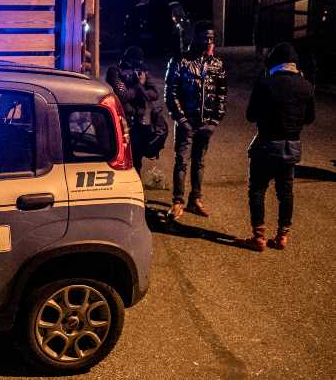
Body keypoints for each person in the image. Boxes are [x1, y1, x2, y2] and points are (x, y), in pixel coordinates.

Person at [242, 43, 315, 251]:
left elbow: (250, 115)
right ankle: (282, 236)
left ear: (273, 62)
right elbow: (310, 118)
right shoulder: (306, 86)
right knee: (286, 192)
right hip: (291, 146)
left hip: (266, 144)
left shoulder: (266, 83)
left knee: (257, 189)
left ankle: (258, 237)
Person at [165, 21, 227, 220]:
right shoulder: (180, 61)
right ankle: (177, 201)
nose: (209, 41)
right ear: (196, 37)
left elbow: (221, 95)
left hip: (205, 124)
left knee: (199, 163)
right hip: (186, 123)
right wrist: (181, 119)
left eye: (211, 38)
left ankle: (195, 199)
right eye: (205, 37)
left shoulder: (217, 64)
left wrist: (214, 121)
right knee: (182, 161)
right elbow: (170, 93)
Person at [106, 46, 167, 173]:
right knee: (122, 157)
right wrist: (139, 87)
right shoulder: (115, 72)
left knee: (137, 159)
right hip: (122, 121)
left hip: (139, 122)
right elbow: (122, 95)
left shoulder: (141, 71)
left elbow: (155, 93)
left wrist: (138, 86)